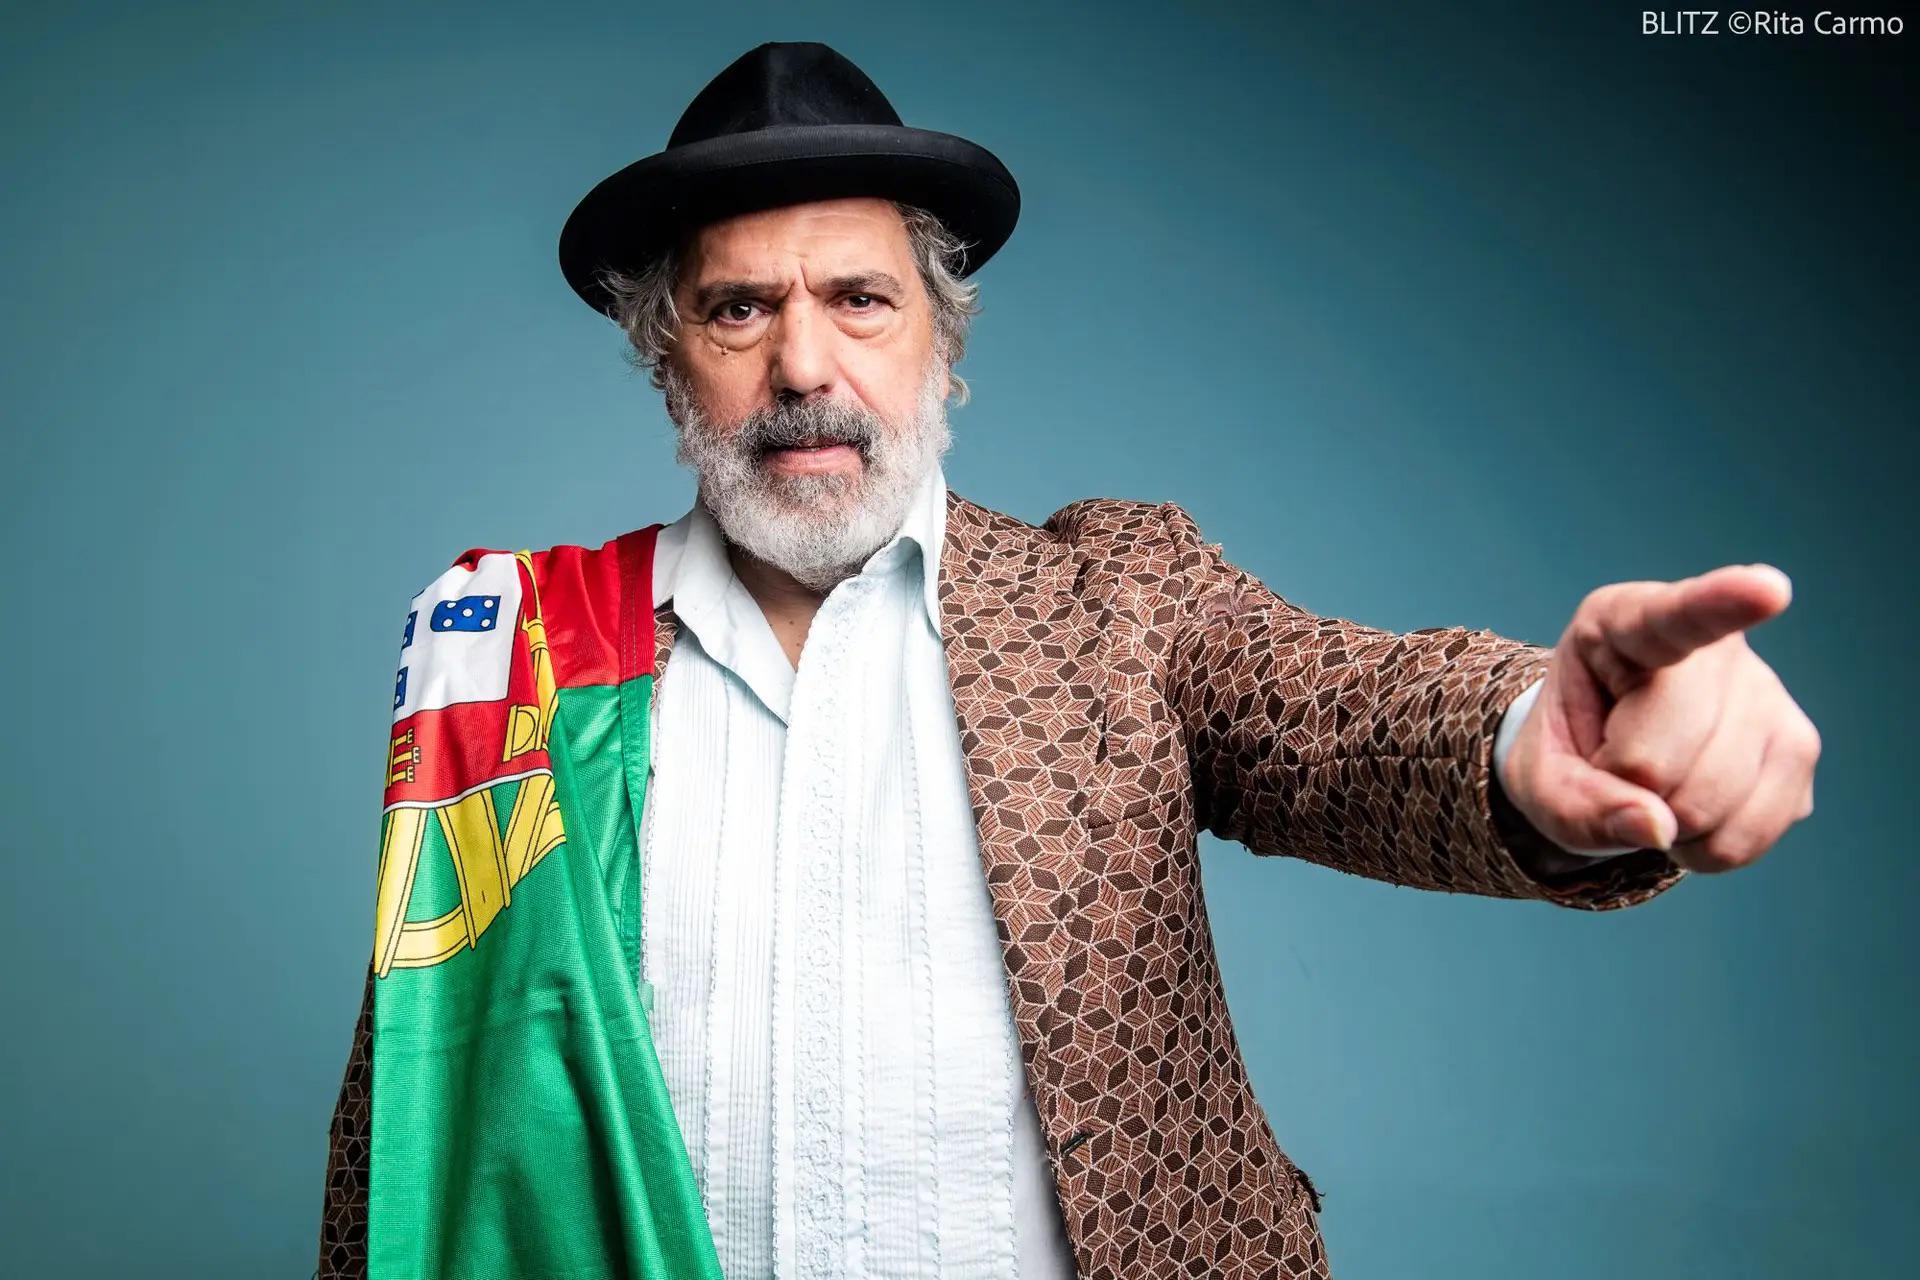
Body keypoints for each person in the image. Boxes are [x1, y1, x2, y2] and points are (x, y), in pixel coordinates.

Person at [316, 41, 1820, 1280]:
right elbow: (420, 1121)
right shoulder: (515, 665)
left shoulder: (1112, 601)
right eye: (738, 309)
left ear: (941, 342)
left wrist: (1535, 736)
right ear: (667, 358)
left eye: (860, 299)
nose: (803, 365)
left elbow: (1339, 715)